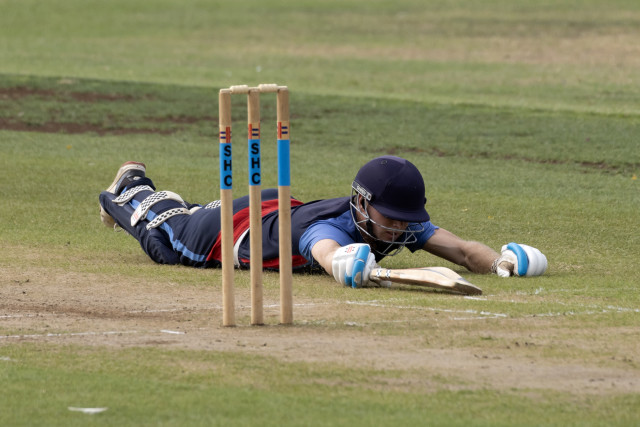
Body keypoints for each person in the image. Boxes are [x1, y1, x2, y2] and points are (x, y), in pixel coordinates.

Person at [98, 156, 547, 287]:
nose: (399, 229)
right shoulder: (329, 230)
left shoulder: (399, 223)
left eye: (405, 220)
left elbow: (463, 251)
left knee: (194, 212)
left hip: (279, 208)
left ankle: (184, 204)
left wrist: (500, 262)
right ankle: (133, 184)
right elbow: (327, 252)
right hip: (226, 235)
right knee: (165, 241)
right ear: (362, 203)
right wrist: (342, 264)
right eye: (391, 219)